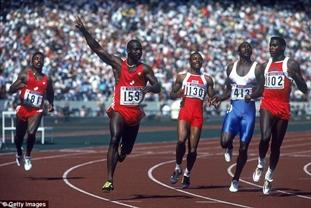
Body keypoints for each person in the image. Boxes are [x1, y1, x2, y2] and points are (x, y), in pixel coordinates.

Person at [75, 16, 161, 192]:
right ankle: (109, 180)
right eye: (136, 50)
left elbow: (158, 86)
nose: (139, 52)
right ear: (128, 51)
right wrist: (84, 31)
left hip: (134, 113)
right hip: (119, 110)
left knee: (126, 151)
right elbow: (97, 49)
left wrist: (149, 89)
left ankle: (122, 152)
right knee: (114, 139)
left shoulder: (144, 69)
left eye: (141, 50)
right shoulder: (117, 64)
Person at [252, 36, 308, 195]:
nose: (271, 48)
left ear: (283, 47)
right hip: (267, 104)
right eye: (270, 45)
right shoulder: (264, 66)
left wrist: (295, 76)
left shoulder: (290, 64)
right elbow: (260, 88)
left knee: (276, 145)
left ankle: (269, 175)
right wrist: (250, 95)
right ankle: (261, 163)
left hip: (283, 106)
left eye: (275, 45)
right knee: (264, 137)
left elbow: (304, 89)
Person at [212, 42, 264, 192]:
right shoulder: (230, 68)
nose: (246, 49)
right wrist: (219, 98)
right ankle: (228, 147)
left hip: (248, 112)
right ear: (238, 51)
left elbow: (262, 88)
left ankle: (235, 179)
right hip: (234, 110)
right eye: (243, 47)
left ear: (252, 51)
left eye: (249, 47)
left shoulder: (257, 68)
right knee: (224, 141)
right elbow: (228, 90)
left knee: (243, 148)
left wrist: (252, 95)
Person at [169, 52, 215, 189]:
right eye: (194, 59)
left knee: (193, 149)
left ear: (202, 62)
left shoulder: (207, 79)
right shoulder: (182, 77)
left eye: (199, 59)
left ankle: (187, 174)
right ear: (189, 61)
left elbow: (212, 96)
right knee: (181, 140)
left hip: (197, 116)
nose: (197, 61)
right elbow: (171, 94)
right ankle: (177, 167)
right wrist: (178, 94)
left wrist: (214, 100)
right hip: (185, 113)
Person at [8, 51, 54, 171]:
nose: (38, 61)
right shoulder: (25, 75)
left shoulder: (47, 79)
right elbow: (11, 89)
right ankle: (19, 152)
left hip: (36, 110)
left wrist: (50, 104)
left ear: (44, 62)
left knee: (31, 132)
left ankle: (28, 156)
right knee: (18, 137)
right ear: (32, 61)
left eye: (41, 59)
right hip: (23, 108)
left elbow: (51, 93)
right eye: (36, 59)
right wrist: (19, 87)